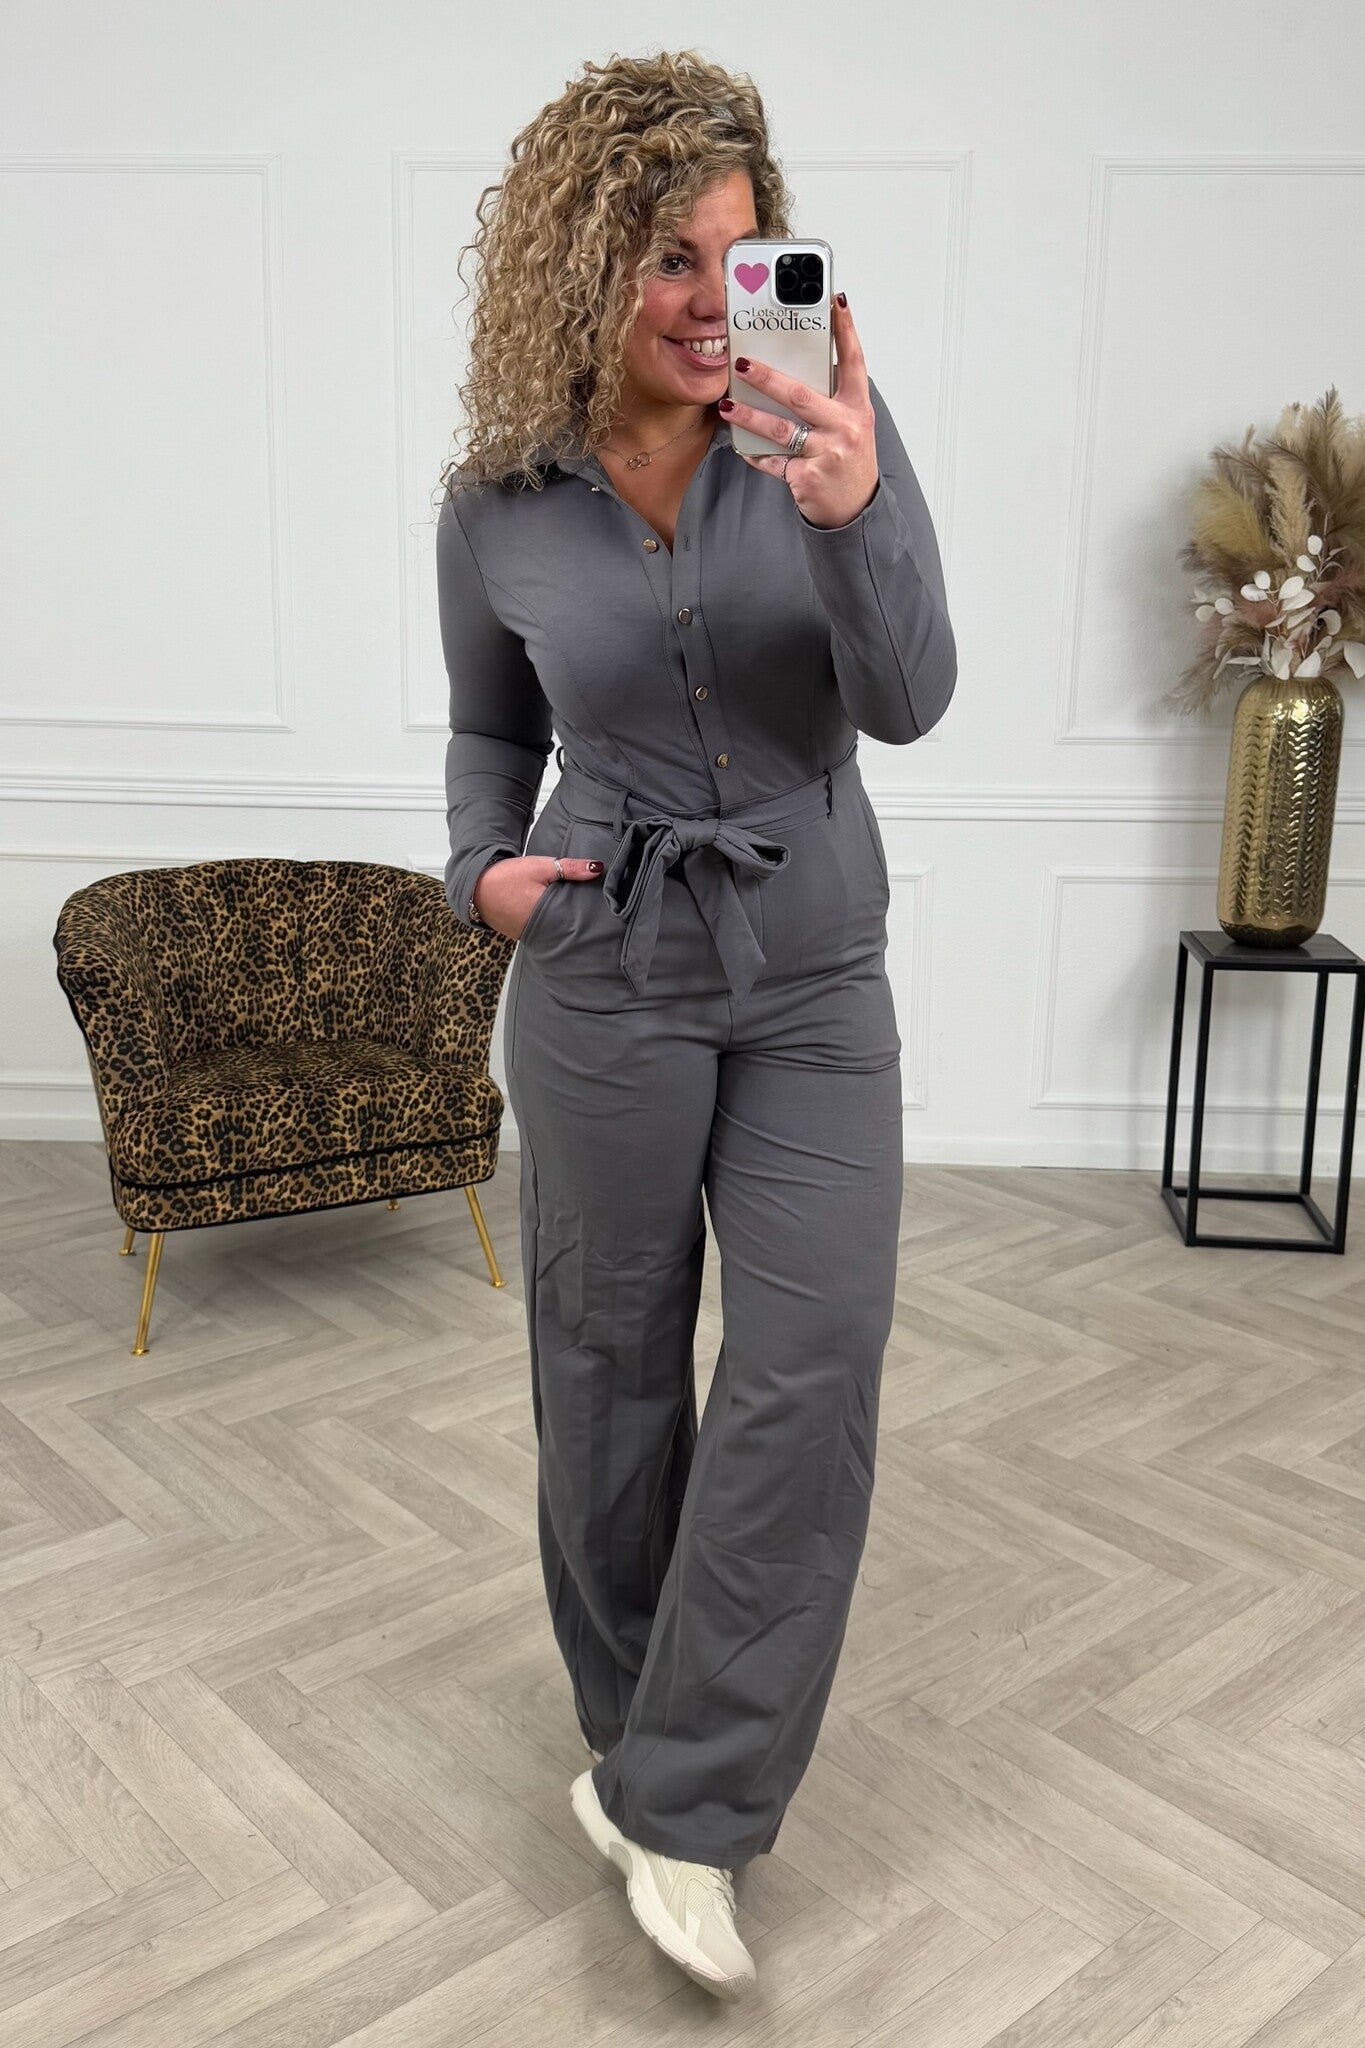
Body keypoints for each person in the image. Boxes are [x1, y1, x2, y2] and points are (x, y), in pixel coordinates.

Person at [435, 50, 955, 2001]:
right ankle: (632, 1738)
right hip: (602, 973)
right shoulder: (495, 505)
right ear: (580, 266)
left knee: (809, 1362)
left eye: (741, 257)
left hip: (812, 975)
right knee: (606, 1371)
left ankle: (687, 1801)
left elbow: (907, 695)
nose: (712, 298)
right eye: (668, 256)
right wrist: (481, 870)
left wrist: (852, 503)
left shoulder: (821, 435)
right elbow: (489, 725)